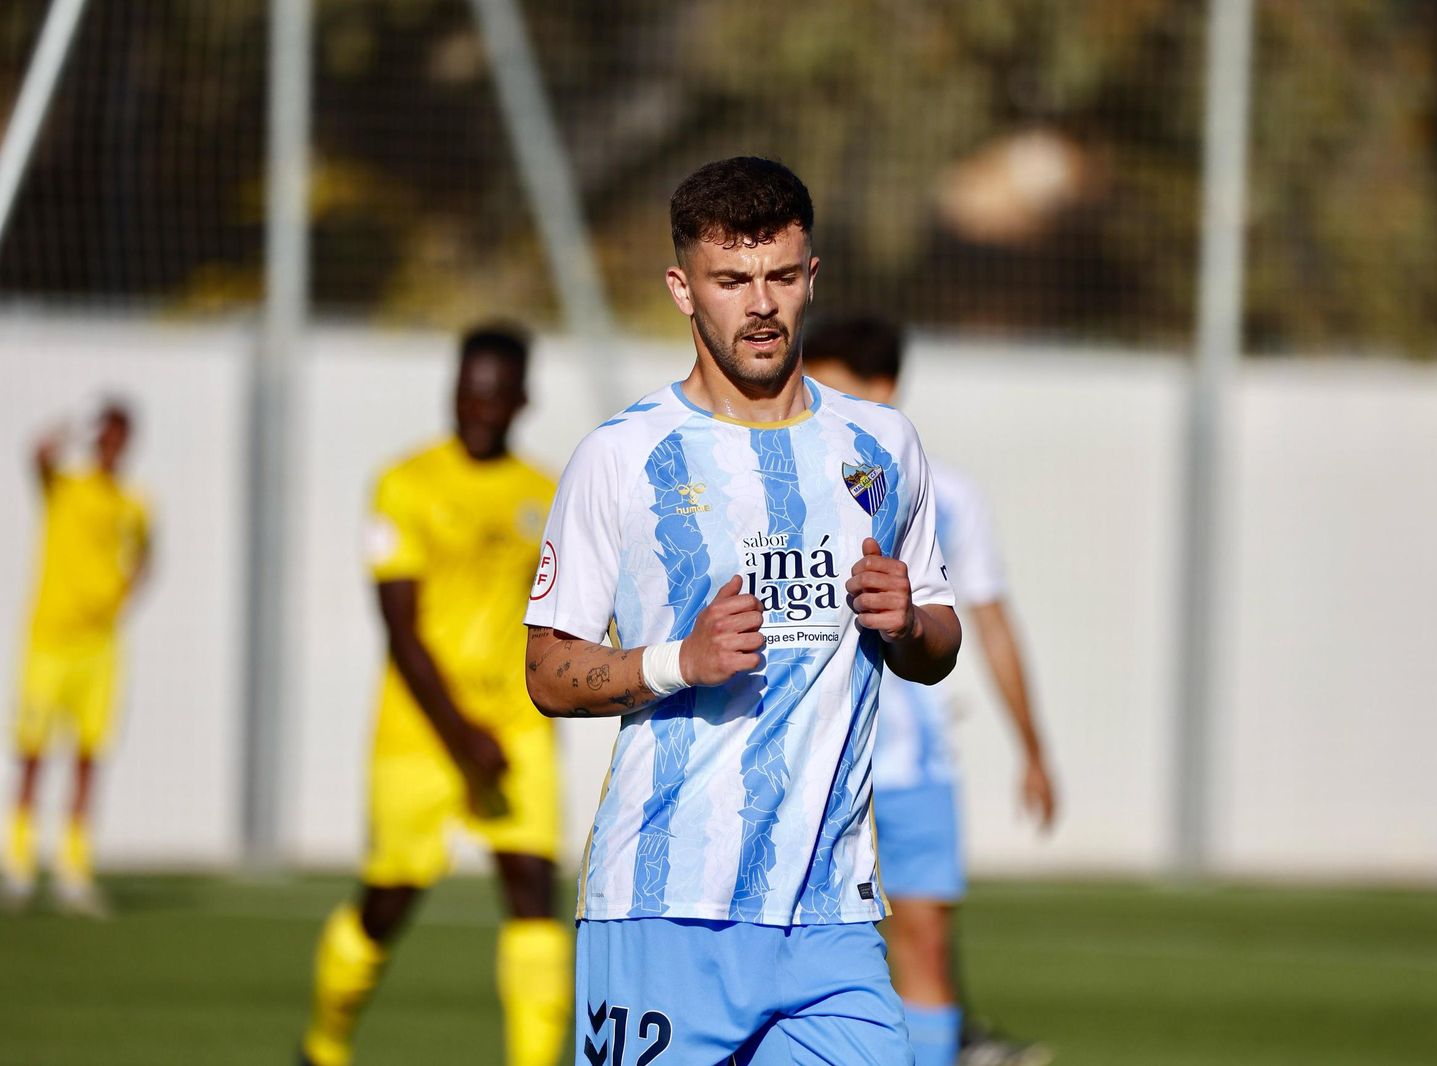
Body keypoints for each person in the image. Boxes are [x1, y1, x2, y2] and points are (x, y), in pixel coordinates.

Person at [522, 157, 961, 1066]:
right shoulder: (623, 456)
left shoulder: (883, 446)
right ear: (684, 290)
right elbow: (547, 672)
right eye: (731, 281)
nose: (759, 305)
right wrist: (678, 660)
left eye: (780, 276)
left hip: (830, 916)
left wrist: (909, 624)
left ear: (812, 276)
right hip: (665, 908)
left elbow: (940, 635)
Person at [299, 325, 569, 1066]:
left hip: (515, 729)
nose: (477, 407)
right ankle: (323, 1045)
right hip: (420, 733)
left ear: (521, 399)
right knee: (387, 902)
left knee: (533, 894)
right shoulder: (404, 483)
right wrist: (462, 736)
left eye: (493, 394)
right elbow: (400, 630)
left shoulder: (545, 496)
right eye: (466, 391)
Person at [804, 317, 1057, 1066]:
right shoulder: (784, 482)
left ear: (883, 390)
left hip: (913, 766)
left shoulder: (943, 494)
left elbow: (991, 623)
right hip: (818, 758)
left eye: (836, 385)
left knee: (924, 942)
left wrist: (1033, 749)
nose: (819, 402)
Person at [3, 402, 151, 917]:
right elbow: (36, 457)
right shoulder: (65, 486)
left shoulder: (135, 503)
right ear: (97, 438)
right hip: (49, 641)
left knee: (89, 757)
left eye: (120, 437)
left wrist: (123, 594)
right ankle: (18, 865)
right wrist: (64, 428)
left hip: (100, 648)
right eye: (106, 435)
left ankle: (73, 869)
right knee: (33, 754)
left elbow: (147, 554)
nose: (112, 445)